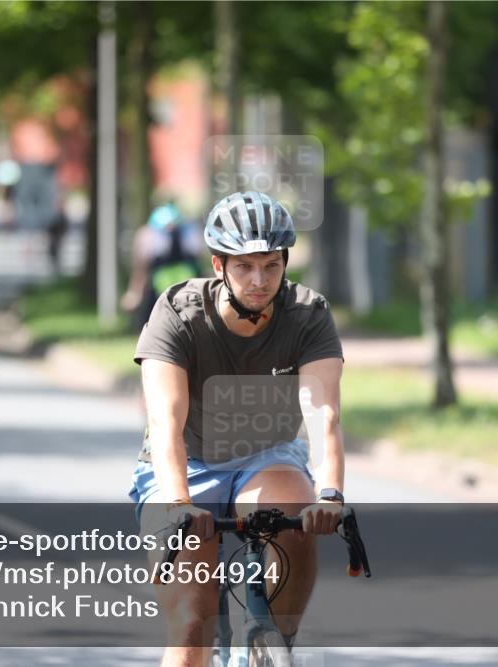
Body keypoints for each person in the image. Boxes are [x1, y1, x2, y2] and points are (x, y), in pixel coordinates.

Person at [128, 191, 346, 666]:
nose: (259, 280)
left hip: (264, 459)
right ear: (219, 264)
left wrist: (329, 495)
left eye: (271, 265)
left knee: (294, 512)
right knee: (191, 624)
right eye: (245, 266)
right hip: (184, 464)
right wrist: (180, 503)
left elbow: (322, 412)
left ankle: (272, 647)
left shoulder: (308, 314)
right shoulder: (178, 314)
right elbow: (166, 422)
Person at [121, 203, 202, 331]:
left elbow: (141, 269)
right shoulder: (189, 233)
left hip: (166, 289)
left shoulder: (148, 235)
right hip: (182, 288)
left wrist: (134, 293)